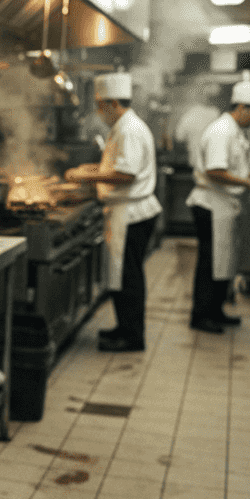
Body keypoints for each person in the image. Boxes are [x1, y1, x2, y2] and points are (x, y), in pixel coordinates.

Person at [64, 73, 162, 352]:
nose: (99, 112)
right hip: (129, 211)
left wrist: (86, 177)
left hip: (132, 213)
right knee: (123, 275)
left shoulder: (128, 129)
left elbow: (126, 175)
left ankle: (132, 337)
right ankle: (124, 328)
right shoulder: (125, 126)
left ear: (112, 103)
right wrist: (93, 170)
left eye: (100, 106)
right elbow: (118, 166)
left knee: (128, 276)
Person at [186, 80, 250, 333]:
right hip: (210, 205)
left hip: (223, 204)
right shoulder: (222, 131)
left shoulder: (234, 131)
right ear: (242, 107)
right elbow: (215, 171)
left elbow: (232, 168)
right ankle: (201, 316)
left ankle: (215, 311)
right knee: (211, 262)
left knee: (222, 261)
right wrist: (248, 183)